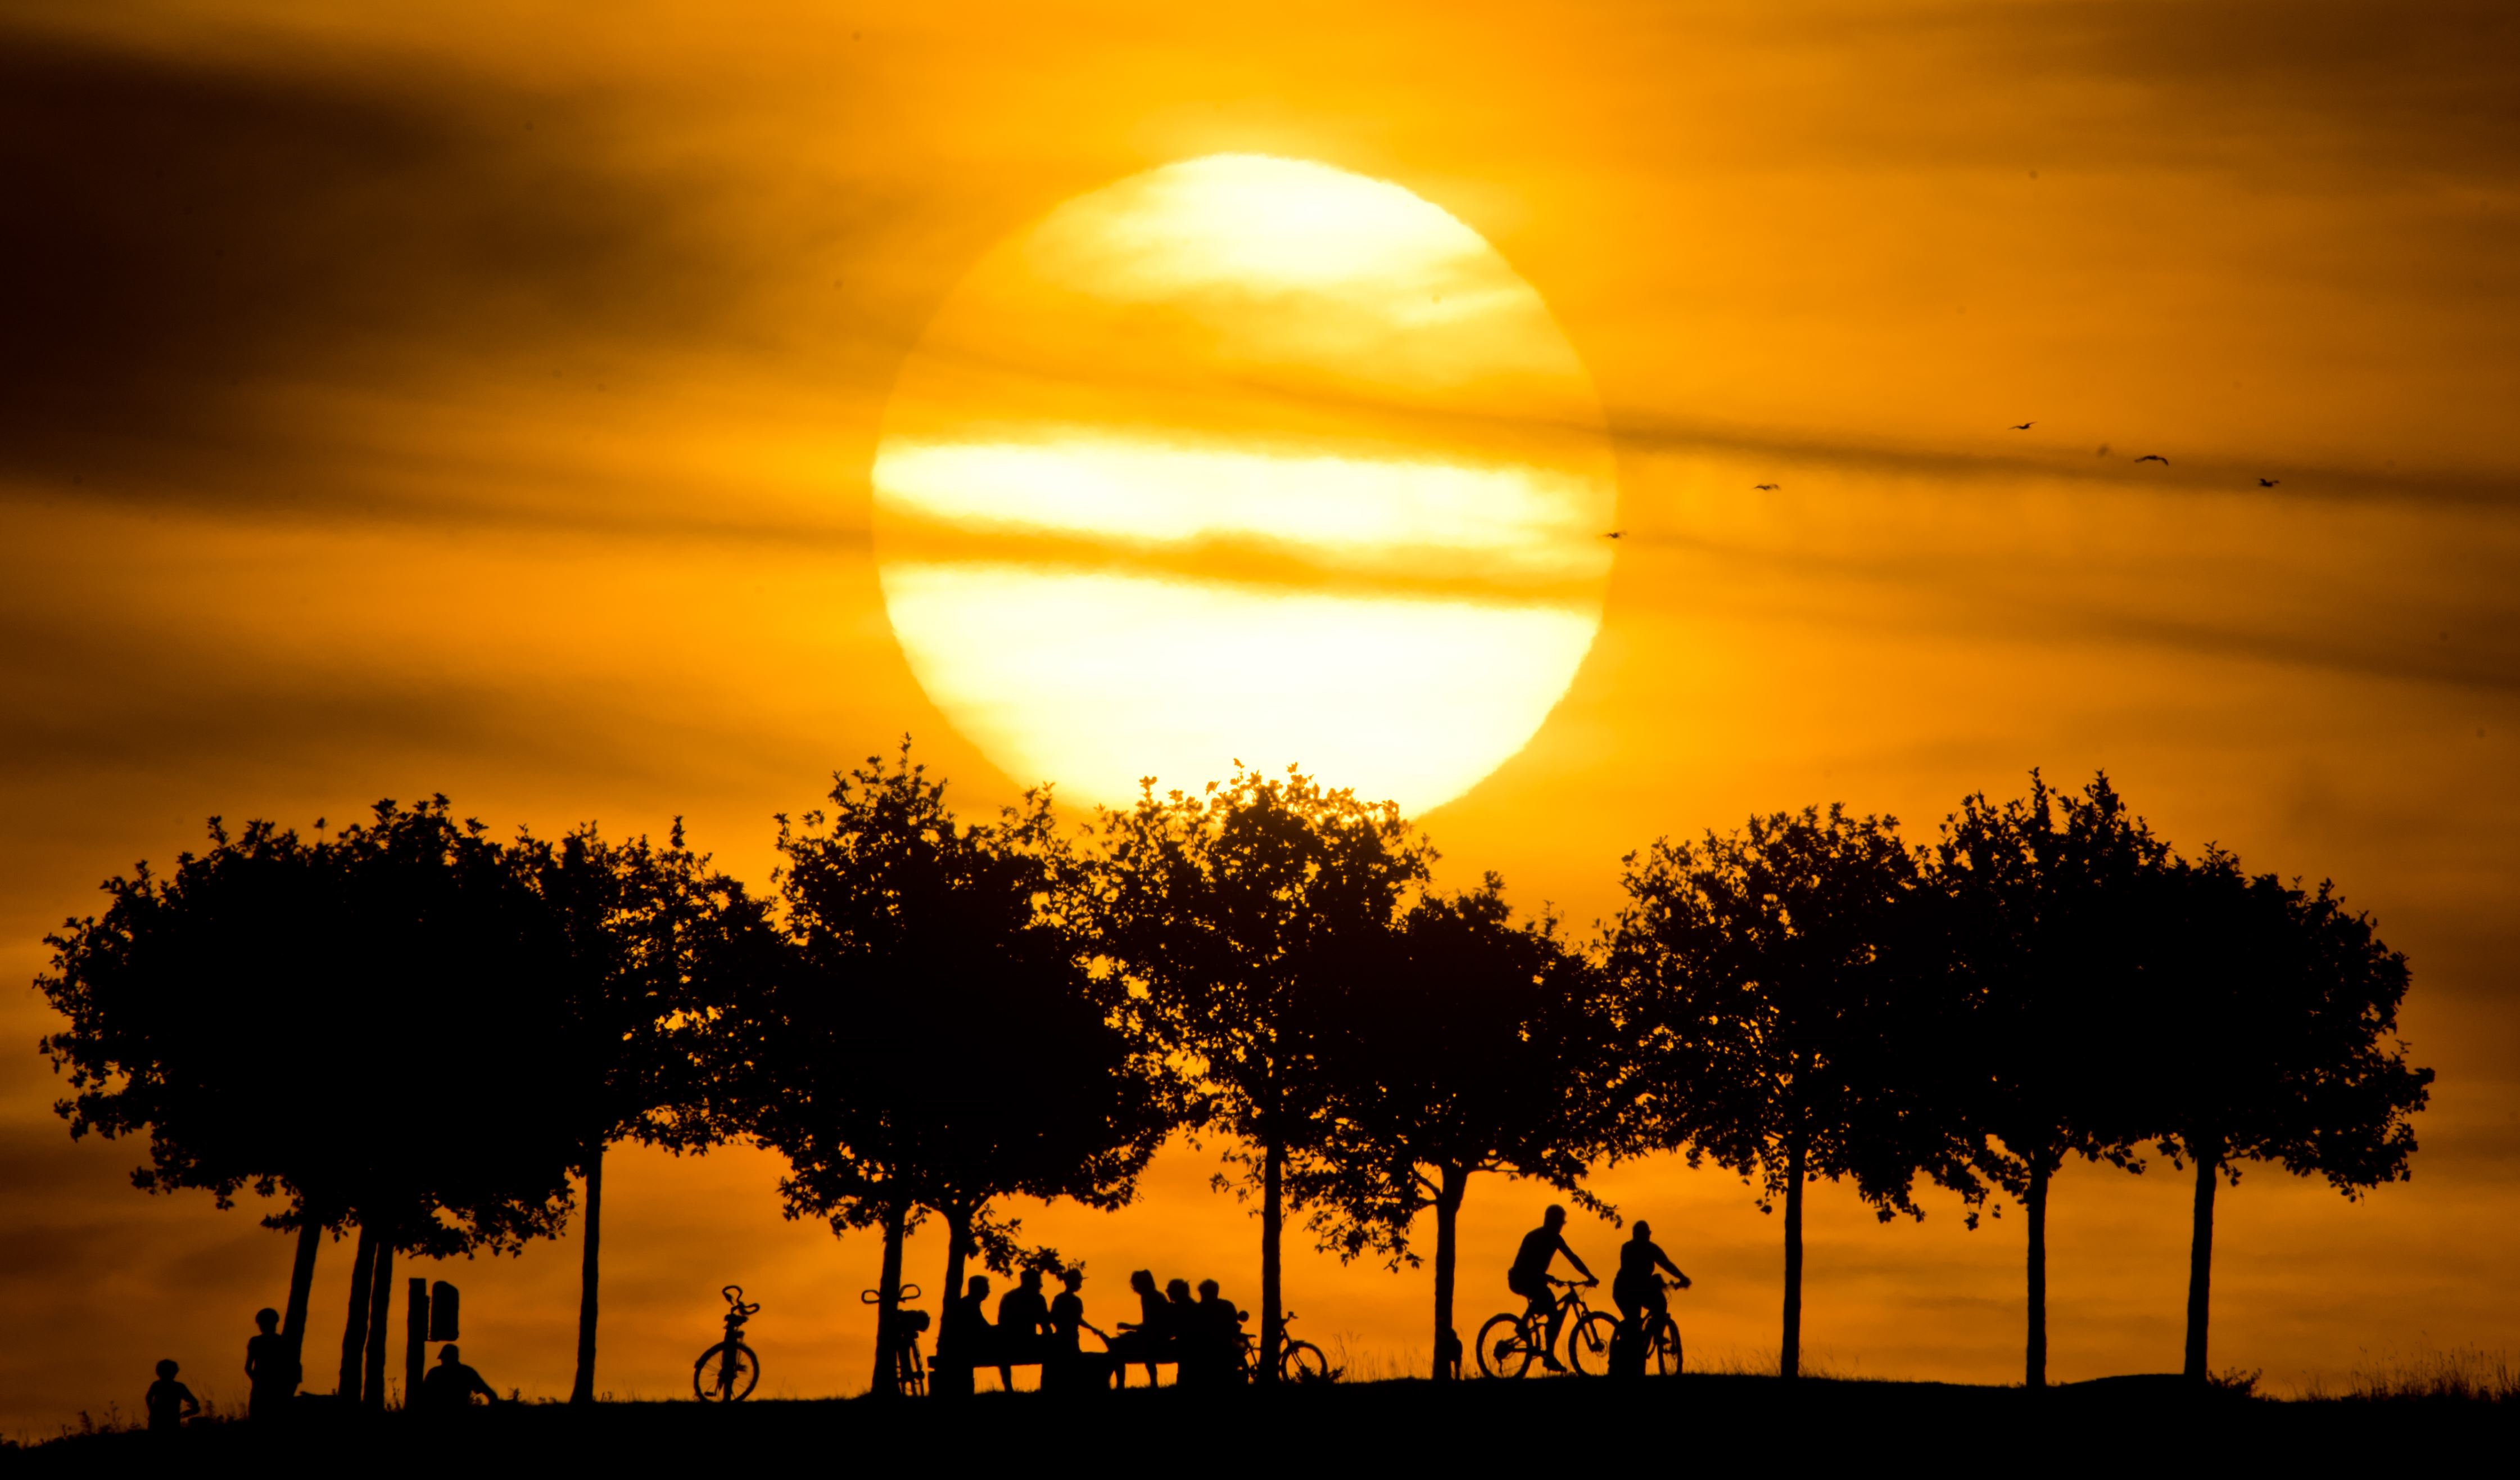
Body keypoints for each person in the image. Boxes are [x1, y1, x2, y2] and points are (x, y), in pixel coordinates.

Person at [1507, 1204, 1595, 1371]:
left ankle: (1545, 1350)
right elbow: (1525, 1265)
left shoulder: (1554, 1238)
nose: (1561, 1226)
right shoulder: (1536, 1237)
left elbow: (1572, 1258)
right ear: (1553, 1221)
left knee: (1549, 1306)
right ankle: (1543, 1348)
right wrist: (1547, 1277)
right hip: (1521, 1278)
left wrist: (1588, 1275)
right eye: (1560, 1222)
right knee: (1549, 1306)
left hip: (1533, 1279)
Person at [1612, 1220, 1690, 1335]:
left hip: (1638, 1289)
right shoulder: (1629, 1248)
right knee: (1634, 1322)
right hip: (1625, 1291)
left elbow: (1666, 1264)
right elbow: (1631, 1272)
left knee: (1658, 1305)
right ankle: (1631, 1346)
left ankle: (1654, 1334)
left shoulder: (1650, 1248)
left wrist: (1682, 1277)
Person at [1107, 1270, 1171, 1388]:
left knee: (1116, 1345)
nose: (1135, 1287)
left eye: (1136, 1284)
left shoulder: (1149, 1298)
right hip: (1157, 1335)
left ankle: (1121, 1384)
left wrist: (1130, 1327)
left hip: (1155, 1337)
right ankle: (1152, 1382)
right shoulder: (1155, 1296)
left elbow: (1151, 1325)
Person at [995, 1269, 1053, 1390]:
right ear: (1031, 1282)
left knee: (1003, 1350)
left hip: (1008, 1343)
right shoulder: (1037, 1299)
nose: (1041, 1285)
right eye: (1039, 1282)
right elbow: (1045, 1324)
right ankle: (1049, 1387)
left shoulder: (1009, 1297)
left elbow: (1001, 1322)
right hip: (1027, 1342)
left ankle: (1009, 1388)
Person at [243, 1307, 297, 1421]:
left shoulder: (257, 1342)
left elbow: (248, 1368)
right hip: (275, 1390)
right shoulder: (282, 1341)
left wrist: (258, 1381)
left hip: (266, 1390)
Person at [418, 1344, 502, 1413]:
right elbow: (490, 1394)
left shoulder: (435, 1373)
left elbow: (423, 1396)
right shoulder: (467, 1372)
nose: (443, 1361)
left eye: (445, 1359)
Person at [145, 1359, 199, 1433]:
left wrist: (153, 1412)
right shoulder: (179, 1387)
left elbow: (148, 1398)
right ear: (175, 1372)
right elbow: (194, 1402)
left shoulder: (157, 1385)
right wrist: (191, 1411)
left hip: (158, 1420)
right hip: (172, 1419)